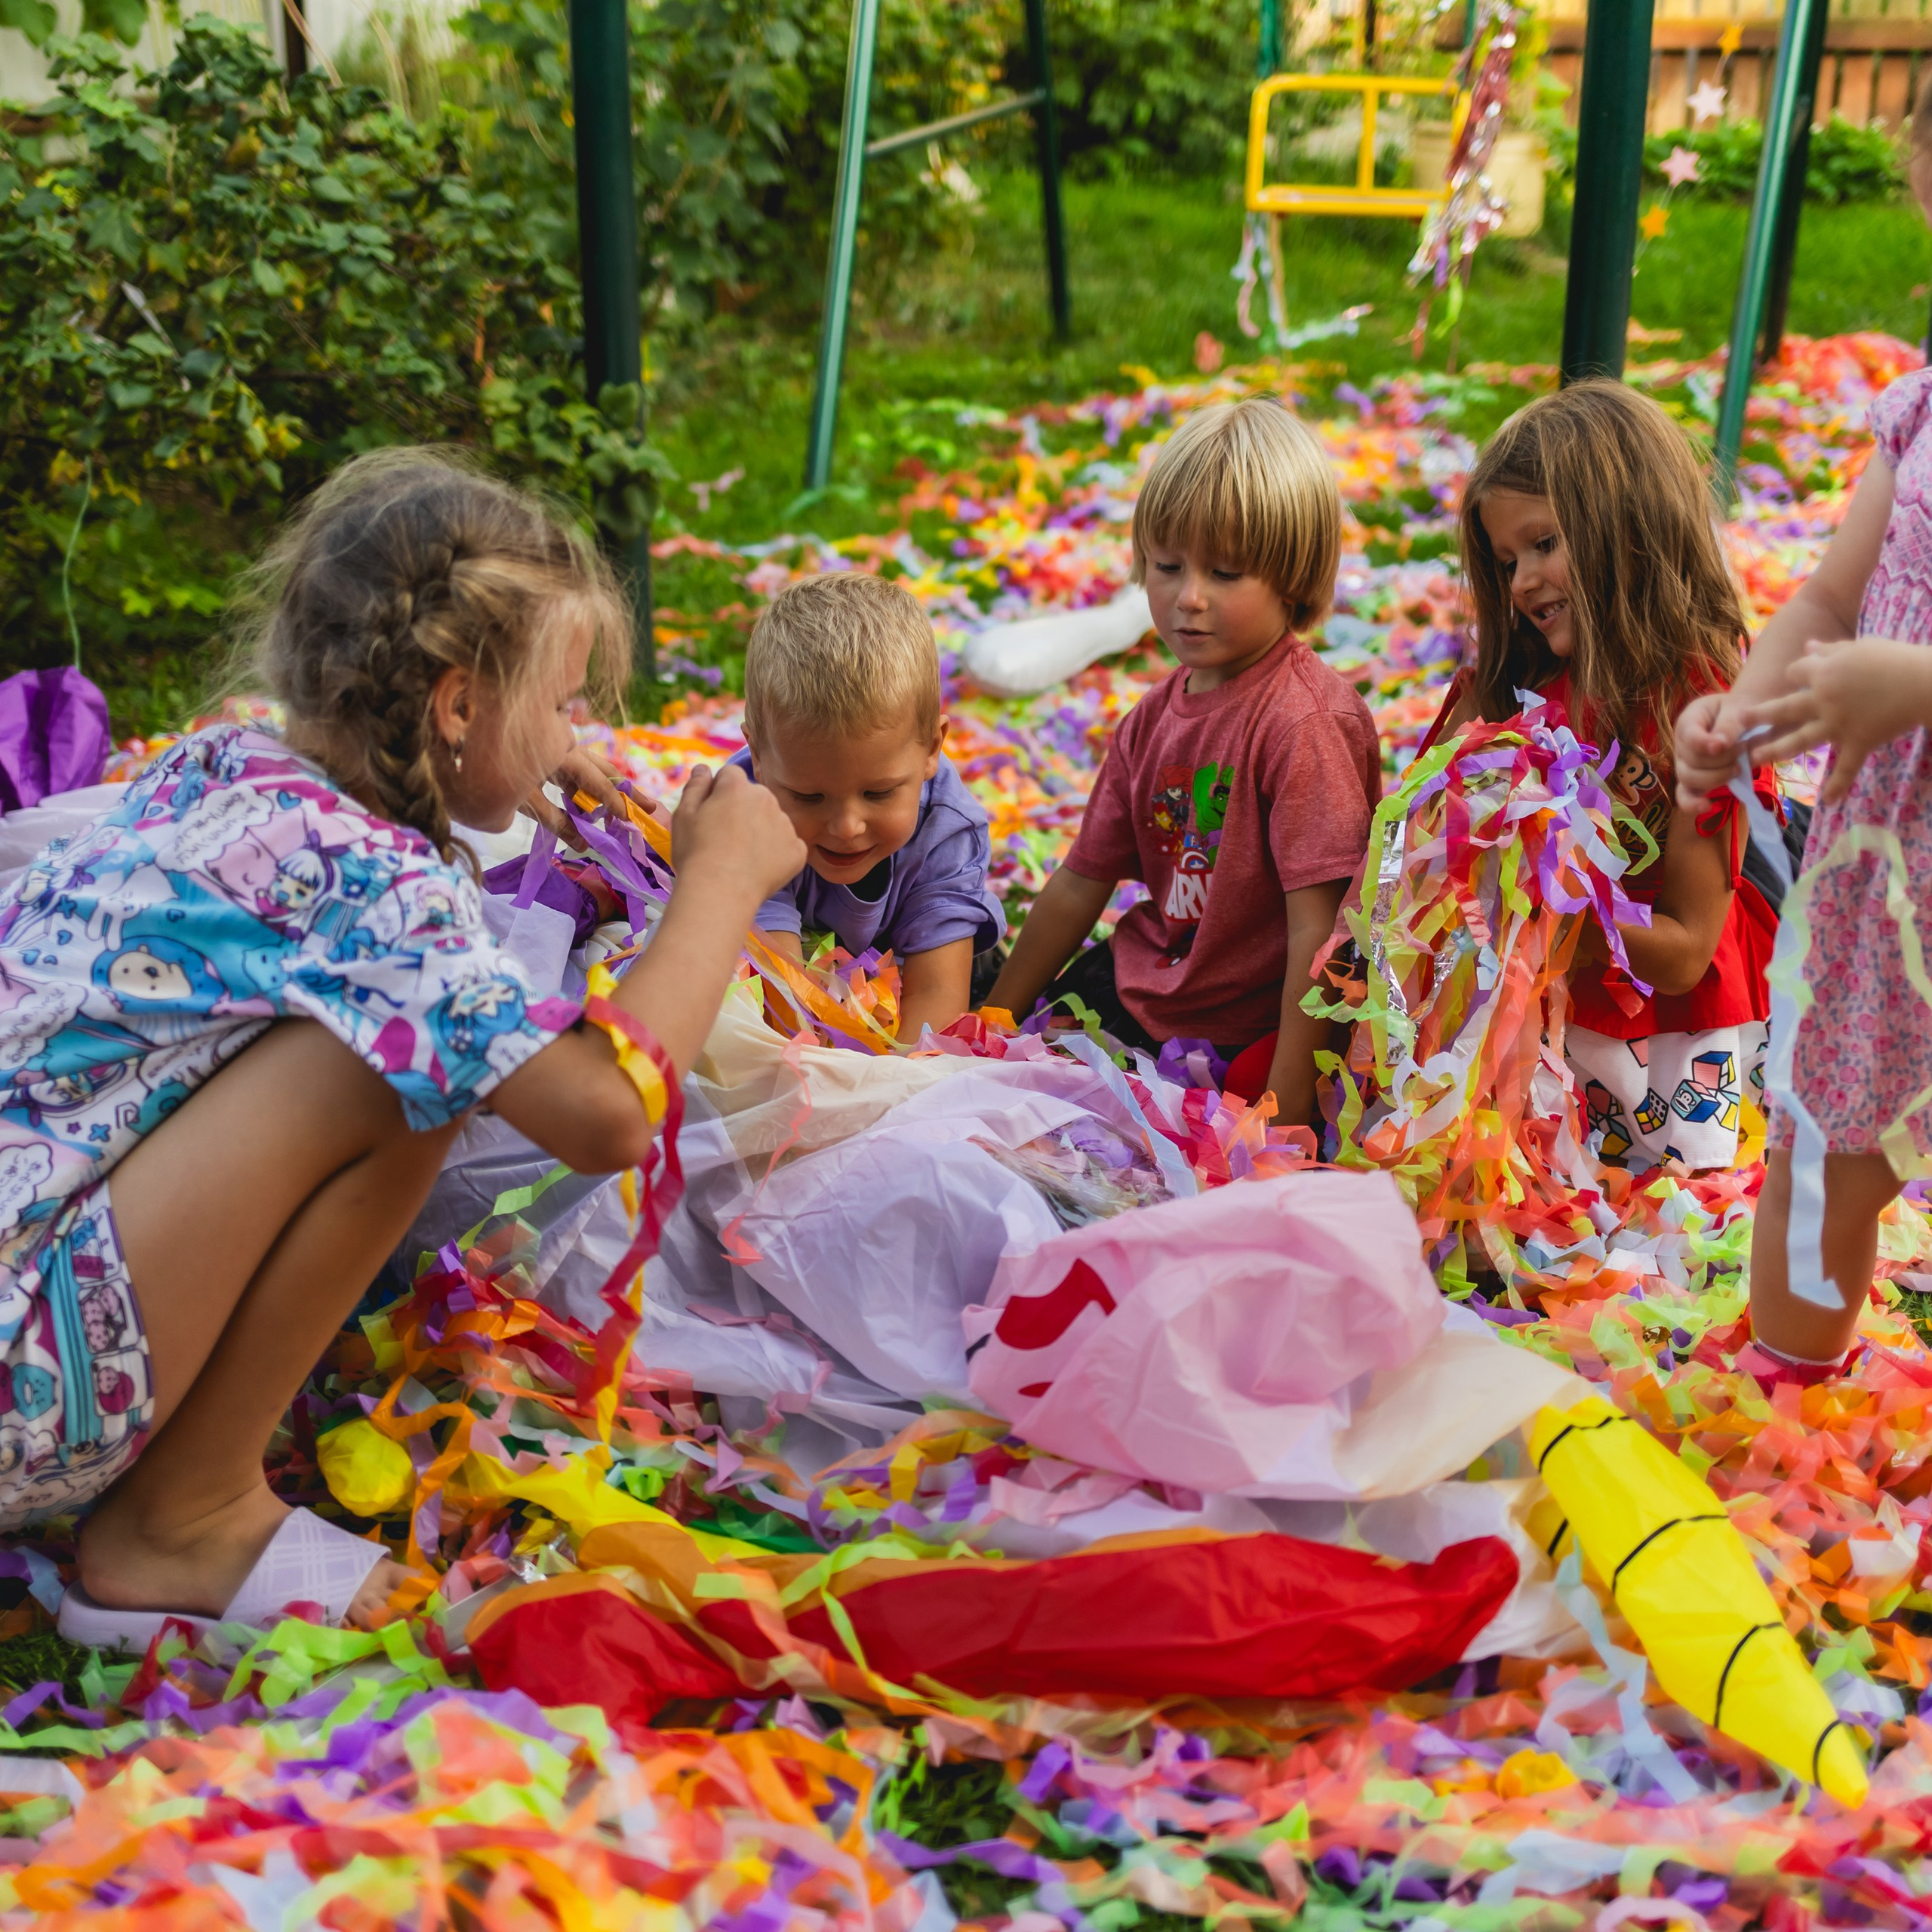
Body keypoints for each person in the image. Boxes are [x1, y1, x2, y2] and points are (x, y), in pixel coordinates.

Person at [0, 450, 804, 1645]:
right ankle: (183, 1516)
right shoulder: (377, 893)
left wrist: (531, 755)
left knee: (400, 1039)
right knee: (395, 1072)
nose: (574, 732)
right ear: (460, 706)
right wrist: (719, 886)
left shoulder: (229, 766)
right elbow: (606, 1113)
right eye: (562, 704)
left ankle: (178, 1496)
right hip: (20, 1384)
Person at [1675, 90, 1932, 1374]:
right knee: (1823, 1141)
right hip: (1884, 867)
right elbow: (1832, 596)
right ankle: (1791, 1397)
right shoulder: (1922, 409)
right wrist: (1748, 700)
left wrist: (1920, 682)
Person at [987, 397, 1380, 1128]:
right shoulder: (1149, 721)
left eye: (1225, 573)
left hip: (1250, 1030)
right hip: (1145, 988)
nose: (1187, 599)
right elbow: (1079, 881)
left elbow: (1320, 930)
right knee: (1016, 1113)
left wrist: (1289, 1104)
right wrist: (991, 1017)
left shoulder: (1303, 721)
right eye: (1167, 566)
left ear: (1291, 578)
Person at [1435, 380, 1778, 1178]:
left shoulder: (1701, 709)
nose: (1519, 581)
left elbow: (1688, 951)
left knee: (1615, 1205)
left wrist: (1540, 916)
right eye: (1506, 560)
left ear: (1627, 526)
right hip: (1542, 1020)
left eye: (1544, 543)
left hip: (1665, 1038)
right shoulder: (1515, 694)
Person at [731, 572, 1004, 1041]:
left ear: (931, 749)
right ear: (758, 756)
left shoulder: (948, 831)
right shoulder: (741, 809)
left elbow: (937, 997)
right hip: (793, 967)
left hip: (926, 962)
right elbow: (779, 990)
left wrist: (891, 1087)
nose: (846, 826)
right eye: (808, 796)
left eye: (878, 794)